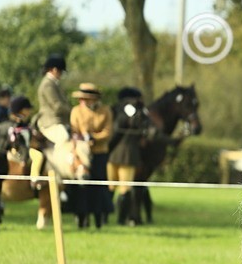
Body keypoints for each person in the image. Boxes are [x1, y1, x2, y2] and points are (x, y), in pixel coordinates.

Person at [70, 83, 113, 228]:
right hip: (82, 154)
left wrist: (94, 138)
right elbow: (74, 130)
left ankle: (99, 218)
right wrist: (82, 141)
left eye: (86, 98)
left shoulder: (105, 111)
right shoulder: (76, 111)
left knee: (98, 186)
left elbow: (108, 132)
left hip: (100, 153)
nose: (83, 101)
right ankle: (81, 217)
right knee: (82, 187)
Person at [109, 87, 151, 226]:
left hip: (113, 154)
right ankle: (120, 220)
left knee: (111, 187)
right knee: (124, 188)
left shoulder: (115, 108)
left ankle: (106, 217)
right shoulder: (136, 110)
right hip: (128, 155)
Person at [30, 53, 71, 188]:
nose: (61, 74)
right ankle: (57, 170)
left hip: (58, 121)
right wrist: (73, 111)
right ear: (53, 70)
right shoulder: (48, 85)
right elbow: (57, 106)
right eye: (60, 71)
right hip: (49, 122)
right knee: (63, 138)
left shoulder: (54, 84)